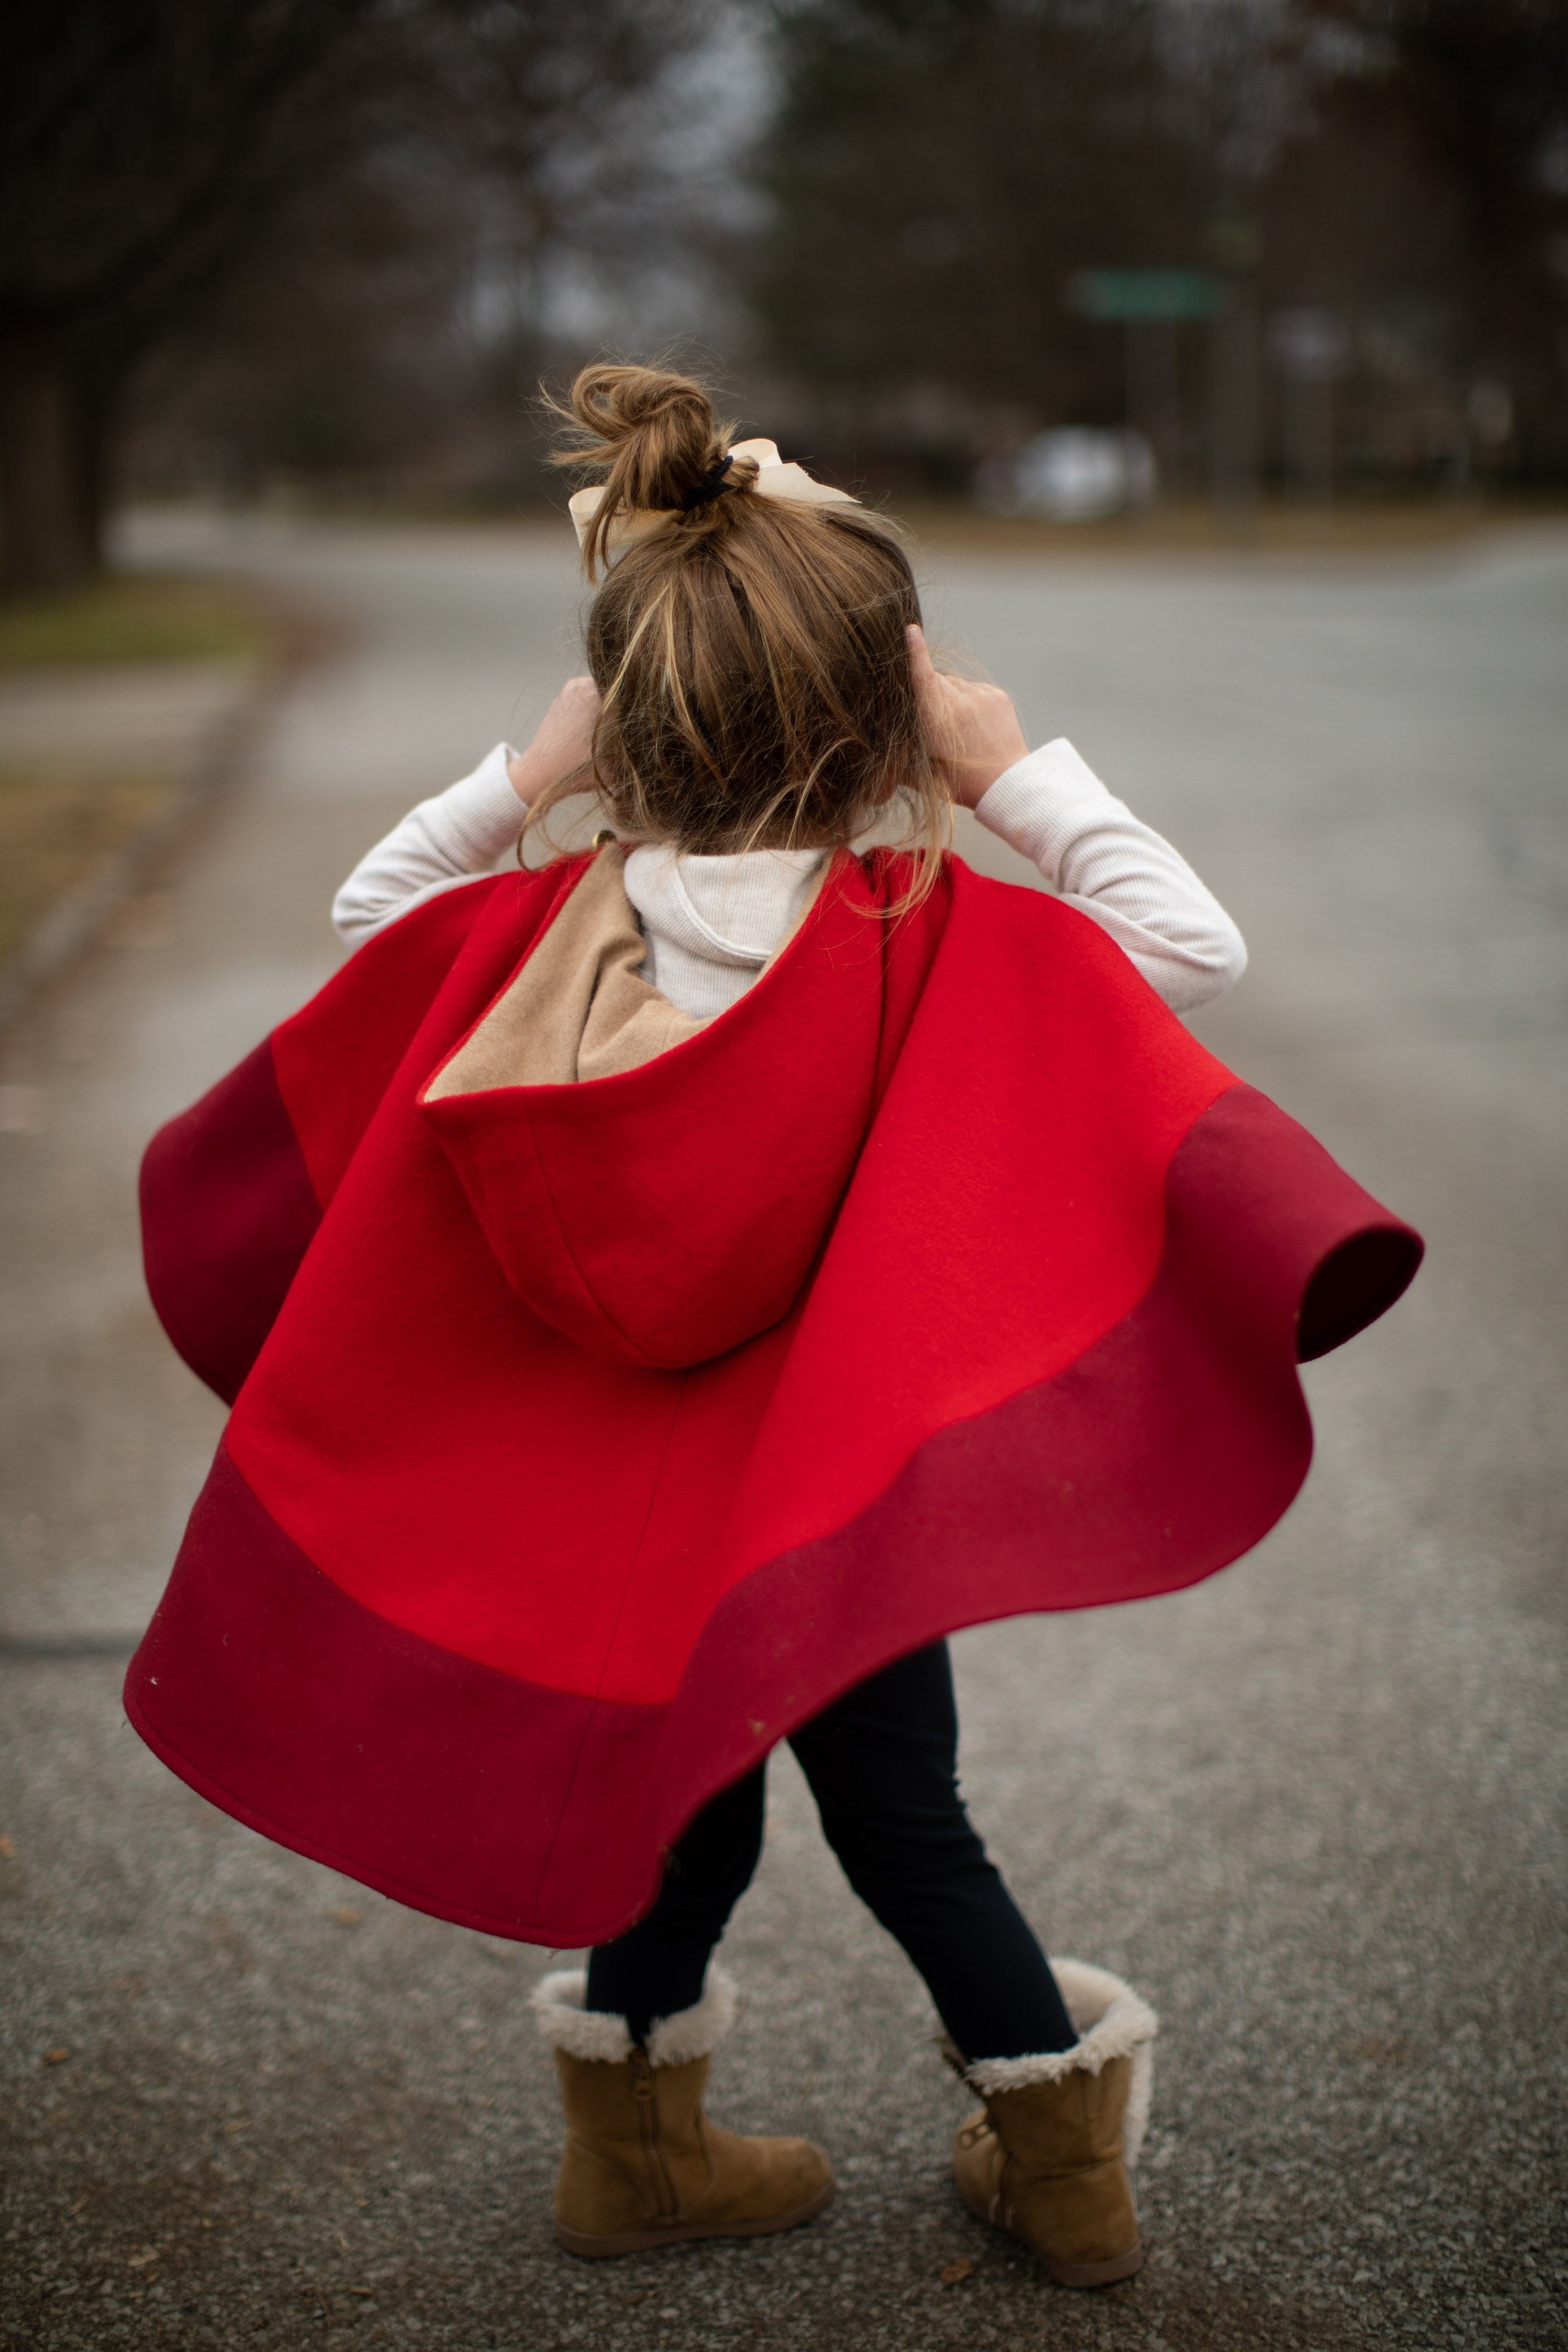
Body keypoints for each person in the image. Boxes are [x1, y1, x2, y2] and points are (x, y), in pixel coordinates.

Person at [128, 365, 1418, 2291]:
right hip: (832, 1504)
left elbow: (365, 905)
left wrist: (526, 777)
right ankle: (1061, 2167)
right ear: (878, 720)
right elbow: (1187, 947)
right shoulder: (924, 936)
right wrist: (1005, 778)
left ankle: (632, 2155)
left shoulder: (537, 943)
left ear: (627, 720)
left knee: (685, 1814)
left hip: (640, 1516)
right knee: (909, 1817)